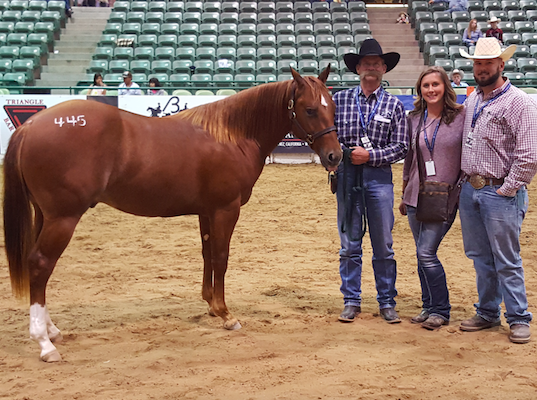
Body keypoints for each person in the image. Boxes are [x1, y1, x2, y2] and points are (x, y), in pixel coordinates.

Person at [458, 38, 537, 343]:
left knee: (506, 258)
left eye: (487, 63)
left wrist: (507, 189)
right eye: (477, 63)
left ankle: (518, 317)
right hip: (472, 189)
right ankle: (488, 312)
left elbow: (529, 154)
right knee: (480, 256)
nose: (481, 69)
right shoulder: (473, 99)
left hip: (499, 191)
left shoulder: (518, 101)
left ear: (501, 65)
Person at [334, 38, 409, 324]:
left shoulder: (394, 105)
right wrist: (341, 158)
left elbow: (401, 146)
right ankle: (351, 300)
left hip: (379, 179)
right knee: (350, 244)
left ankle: (386, 301)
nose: (371, 68)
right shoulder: (339, 100)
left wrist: (371, 156)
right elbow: (329, 137)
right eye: (366, 64)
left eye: (377, 64)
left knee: (384, 244)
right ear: (358, 68)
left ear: (384, 68)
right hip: (346, 177)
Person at [399, 66, 465, 330]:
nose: (431, 90)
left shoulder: (461, 116)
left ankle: (441, 309)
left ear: (445, 87)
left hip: (445, 195)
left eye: (435, 84)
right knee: (420, 253)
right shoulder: (414, 118)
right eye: (425, 86)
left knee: (427, 252)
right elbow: (410, 158)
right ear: (420, 90)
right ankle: (428, 306)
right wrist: (404, 191)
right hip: (416, 193)